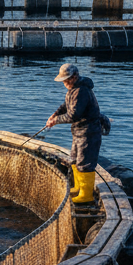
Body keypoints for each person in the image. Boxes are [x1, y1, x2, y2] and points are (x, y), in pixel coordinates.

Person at [46, 63, 107, 204]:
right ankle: (78, 188)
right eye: (63, 80)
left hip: (89, 132)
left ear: (74, 77)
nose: (65, 83)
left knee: (85, 163)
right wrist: (55, 114)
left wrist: (55, 121)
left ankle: (86, 195)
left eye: (67, 79)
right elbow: (66, 105)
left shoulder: (81, 91)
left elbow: (74, 115)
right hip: (79, 132)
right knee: (74, 159)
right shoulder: (73, 89)